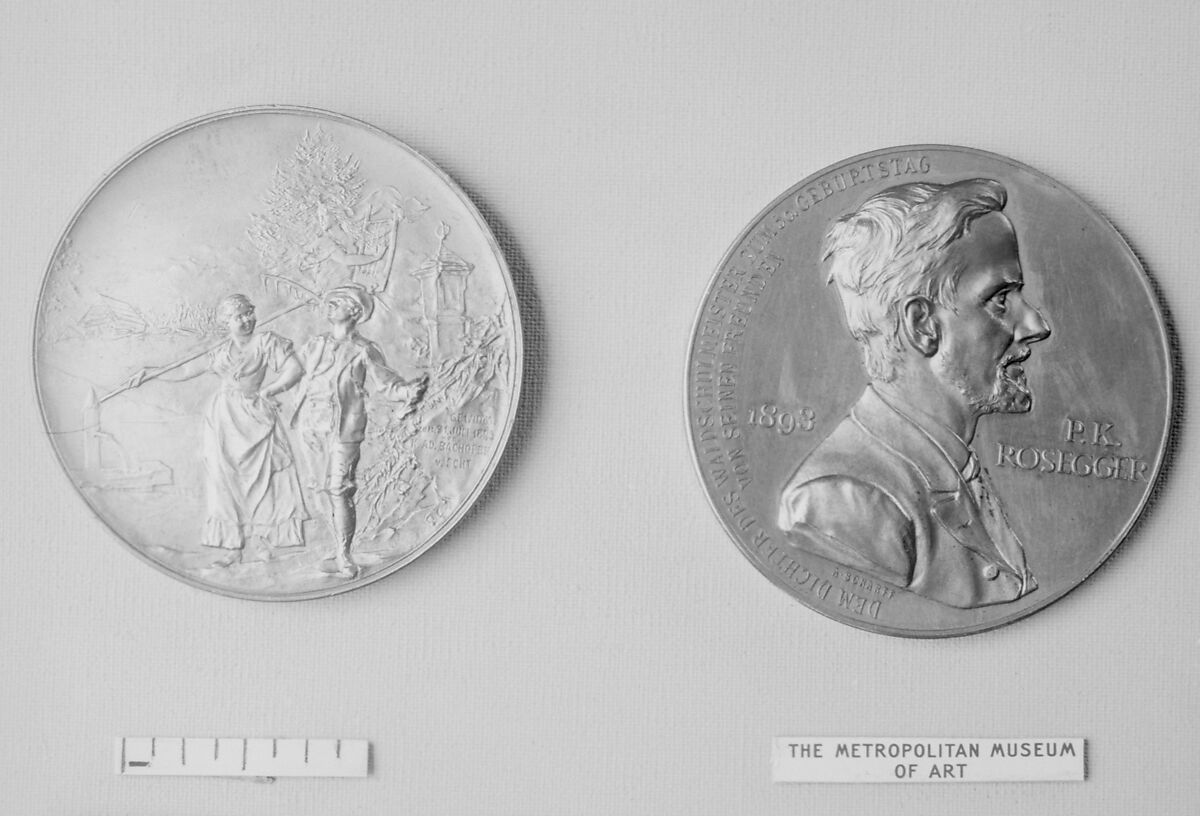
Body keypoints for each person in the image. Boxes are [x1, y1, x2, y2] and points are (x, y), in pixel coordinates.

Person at [777, 179, 1051, 609]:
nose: (1036, 325)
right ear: (922, 325)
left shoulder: (952, 464)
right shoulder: (841, 500)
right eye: (1001, 299)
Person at [126, 294, 308, 563]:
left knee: (265, 479)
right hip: (224, 419)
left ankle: (263, 540)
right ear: (226, 323)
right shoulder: (219, 351)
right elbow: (186, 370)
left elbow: (295, 369)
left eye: (248, 313)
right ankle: (233, 546)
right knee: (224, 480)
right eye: (238, 317)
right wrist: (152, 372)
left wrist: (270, 390)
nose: (246, 320)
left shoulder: (267, 341)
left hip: (255, 415)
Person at [291, 284, 427, 576]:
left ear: (354, 311)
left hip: (343, 428)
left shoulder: (364, 350)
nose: (329, 305)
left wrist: (407, 391)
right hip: (311, 424)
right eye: (329, 302)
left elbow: (387, 384)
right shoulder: (315, 344)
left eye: (337, 302)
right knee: (318, 489)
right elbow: (293, 371)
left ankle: (344, 554)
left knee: (339, 490)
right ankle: (333, 544)